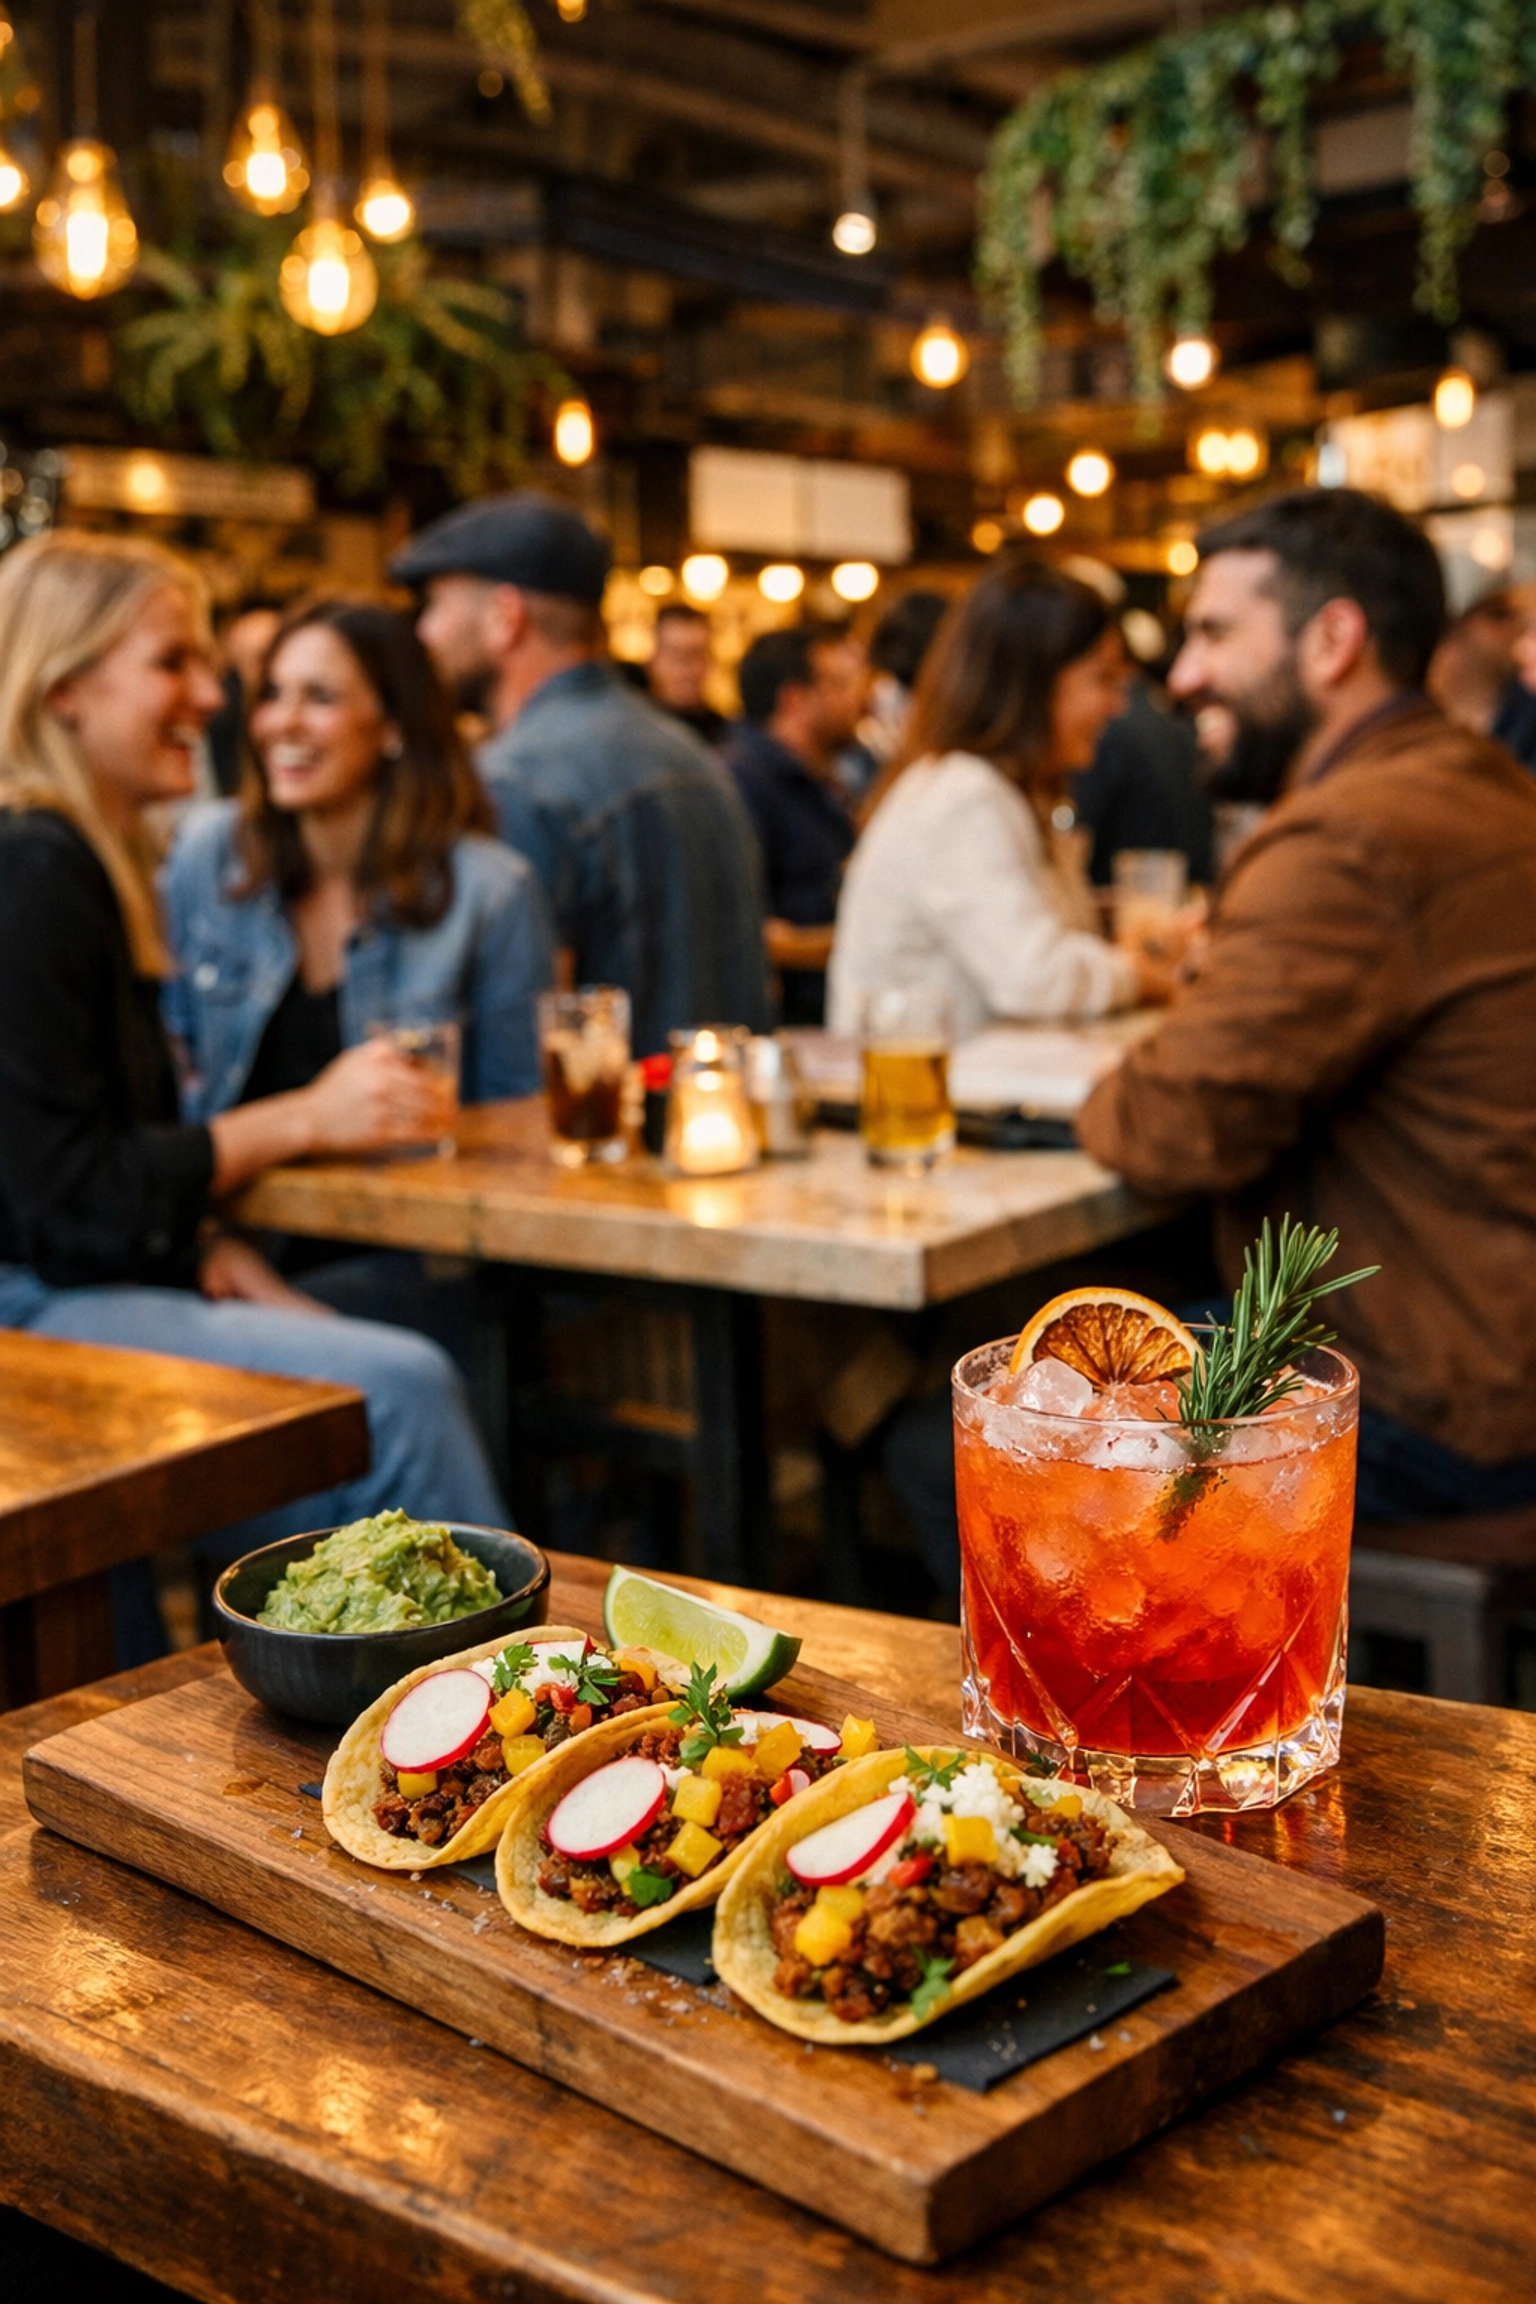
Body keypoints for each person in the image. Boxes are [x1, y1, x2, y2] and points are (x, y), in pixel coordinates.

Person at [0, 534, 508, 1660]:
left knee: (392, 1372)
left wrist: (198, 1242)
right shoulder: (38, 866)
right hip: (33, 1305)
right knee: (406, 1387)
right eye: (174, 663)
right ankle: (495, 1721)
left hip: (97, 1272)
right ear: (65, 689)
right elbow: (64, 1199)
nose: (213, 695)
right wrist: (301, 1122)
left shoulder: (85, 855)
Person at [1076, 487, 1536, 1521]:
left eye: (1214, 632)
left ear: (1333, 640)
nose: (1183, 674)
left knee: (962, 1434)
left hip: (1447, 1390)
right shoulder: (1489, 786)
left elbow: (1167, 1127)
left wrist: (1119, 1078)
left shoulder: (1346, 841)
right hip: (1497, 1337)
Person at [393, 492, 768, 1056]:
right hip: (713, 1126)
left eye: (437, 606)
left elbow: (526, 1041)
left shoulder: (515, 782)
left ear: (505, 616)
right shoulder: (690, 753)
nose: (424, 632)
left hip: (594, 1136)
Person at [164, 597, 553, 1120]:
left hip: (411, 1197)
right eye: (272, 694)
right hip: (226, 1199)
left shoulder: (491, 891)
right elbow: (169, 1083)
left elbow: (515, 1121)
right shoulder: (209, 854)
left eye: (320, 698)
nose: (284, 722)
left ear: (394, 725)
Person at [828, 561, 1175, 1039]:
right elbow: (1036, 978)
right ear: (1034, 682)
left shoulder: (992, 788)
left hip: (979, 1088)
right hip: (926, 1100)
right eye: (1102, 679)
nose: (1117, 704)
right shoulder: (963, 795)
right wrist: (1142, 976)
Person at [725, 627, 862, 1026]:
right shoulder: (744, 782)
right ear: (795, 700)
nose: (857, 697)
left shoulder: (819, 779)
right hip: (786, 1031)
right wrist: (854, 942)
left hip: (825, 1019)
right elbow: (744, 933)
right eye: (838, 684)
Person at [1072, 671, 1215, 887]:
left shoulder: (1108, 731)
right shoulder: (1179, 726)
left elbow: (1082, 834)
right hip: (1190, 894)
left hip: (1127, 897)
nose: (1115, 705)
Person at [646, 601, 726, 745]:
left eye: (697, 654)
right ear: (653, 661)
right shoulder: (631, 732)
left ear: (711, 661)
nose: (685, 668)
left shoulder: (728, 738)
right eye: (674, 654)